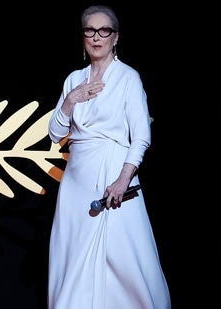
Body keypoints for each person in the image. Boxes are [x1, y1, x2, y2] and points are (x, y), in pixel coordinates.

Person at [47, 5, 171, 309]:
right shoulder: (73, 79)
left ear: (115, 38)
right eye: (90, 31)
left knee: (122, 254)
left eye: (104, 31)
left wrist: (122, 179)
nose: (96, 37)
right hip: (77, 177)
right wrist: (71, 100)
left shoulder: (128, 78)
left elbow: (141, 136)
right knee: (73, 255)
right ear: (83, 37)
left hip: (113, 173)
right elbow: (54, 133)